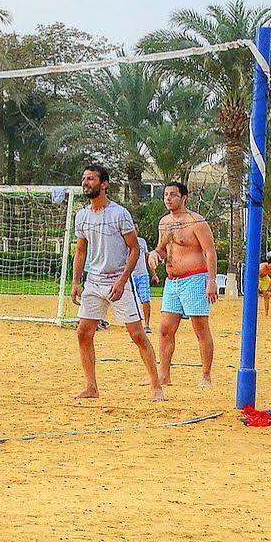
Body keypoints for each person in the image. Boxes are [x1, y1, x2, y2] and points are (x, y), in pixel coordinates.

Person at [70, 164, 165, 402]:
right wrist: (75, 282)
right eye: (84, 178)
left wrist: (123, 280)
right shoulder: (81, 216)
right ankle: (91, 387)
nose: (86, 182)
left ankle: (156, 386)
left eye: (91, 178)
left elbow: (134, 249)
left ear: (104, 184)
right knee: (83, 333)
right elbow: (81, 251)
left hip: (118, 281)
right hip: (94, 281)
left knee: (137, 334)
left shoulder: (119, 214)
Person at [155, 181, 219, 388]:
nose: (168, 198)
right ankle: (164, 375)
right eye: (166, 194)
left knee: (200, 328)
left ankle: (206, 376)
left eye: (173, 194)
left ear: (184, 198)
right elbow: (163, 249)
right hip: (172, 281)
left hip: (195, 278)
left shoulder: (196, 222)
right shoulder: (164, 222)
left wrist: (211, 280)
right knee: (166, 329)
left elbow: (210, 252)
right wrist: (154, 256)